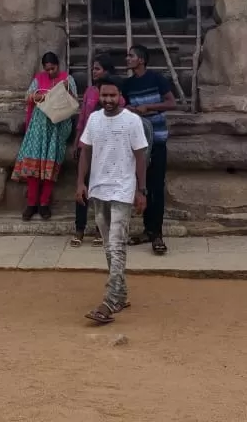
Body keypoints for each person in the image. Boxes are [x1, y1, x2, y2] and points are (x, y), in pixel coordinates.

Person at [76, 76, 148, 325]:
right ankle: (121, 293)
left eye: (112, 96)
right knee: (108, 246)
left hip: (122, 190)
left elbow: (141, 157)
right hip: (98, 189)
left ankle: (110, 301)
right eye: (104, 96)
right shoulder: (94, 119)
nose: (108, 100)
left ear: (120, 96)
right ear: (99, 96)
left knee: (117, 245)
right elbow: (85, 150)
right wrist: (80, 183)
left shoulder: (132, 121)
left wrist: (141, 190)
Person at [121, 44, 176, 255]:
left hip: (158, 140)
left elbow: (172, 103)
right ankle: (147, 230)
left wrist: (150, 108)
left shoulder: (157, 79)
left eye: (131, 56)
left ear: (141, 60)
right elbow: (121, 105)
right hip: (137, 143)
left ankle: (158, 234)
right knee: (141, 186)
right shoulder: (127, 84)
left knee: (156, 188)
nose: (127, 59)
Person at [12, 51, 77, 221]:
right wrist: (44, 96)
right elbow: (28, 97)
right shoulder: (38, 79)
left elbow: (73, 101)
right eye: (47, 69)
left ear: (58, 65)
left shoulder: (67, 79)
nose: (50, 72)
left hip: (56, 128)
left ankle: (44, 204)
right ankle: (31, 204)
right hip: (38, 128)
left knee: (51, 167)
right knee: (33, 168)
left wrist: (62, 92)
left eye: (53, 68)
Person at [71, 53, 124, 247]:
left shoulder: (117, 94)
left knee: (102, 189)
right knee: (81, 187)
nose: (93, 72)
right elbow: (83, 119)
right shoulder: (90, 92)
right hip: (88, 144)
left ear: (107, 71)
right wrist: (78, 141)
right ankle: (79, 228)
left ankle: (100, 229)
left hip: (107, 148)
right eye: (93, 68)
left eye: (97, 68)